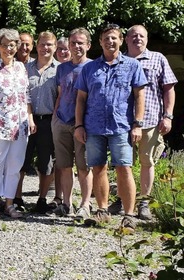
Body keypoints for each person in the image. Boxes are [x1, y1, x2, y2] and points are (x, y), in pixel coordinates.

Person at [74, 24, 147, 230]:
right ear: (100, 42)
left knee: (124, 168)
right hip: (94, 127)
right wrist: (79, 125)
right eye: (106, 38)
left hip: (121, 127)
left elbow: (139, 96)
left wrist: (137, 124)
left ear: (121, 40)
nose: (110, 42)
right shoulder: (89, 68)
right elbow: (81, 99)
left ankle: (129, 215)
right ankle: (102, 211)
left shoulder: (132, 66)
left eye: (114, 38)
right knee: (98, 168)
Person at [125, 25, 178, 220]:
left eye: (141, 35)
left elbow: (169, 89)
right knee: (124, 164)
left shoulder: (158, 58)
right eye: (133, 36)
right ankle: (124, 199)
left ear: (147, 39)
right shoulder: (120, 60)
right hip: (123, 122)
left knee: (147, 162)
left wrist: (168, 115)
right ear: (126, 39)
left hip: (150, 120)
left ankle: (144, 202)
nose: (137, 38)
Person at [0, 28, 35, 219]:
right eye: (5, 45)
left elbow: (25, 95)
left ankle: (9, 203)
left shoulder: (21, 67)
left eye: (12, 45)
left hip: (19, 126)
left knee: (15, 166)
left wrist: (30, 118)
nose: (9, 49)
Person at [53, 27, 93, 220]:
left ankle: (85, 204)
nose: (76, 46)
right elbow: (61, 95)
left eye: (80, 43)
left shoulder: (93, 67)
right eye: (73, 43)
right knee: (64, 165)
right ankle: (66, 203)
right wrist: (55, 119)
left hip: (84, 124)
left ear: (88, 45)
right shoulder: (62, 68)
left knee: (84, 166)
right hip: (61, 121)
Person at [19, 31, 60, 214]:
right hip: (25, 119)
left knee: (47, 162)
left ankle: (42, 199)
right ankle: (17, 198)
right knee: (21, 160)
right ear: (37, 46)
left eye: (49, 44)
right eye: (42, 44)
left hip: (49, 121)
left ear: (55, 47)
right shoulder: (25, 68)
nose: (45, 48)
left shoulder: (60, 69)